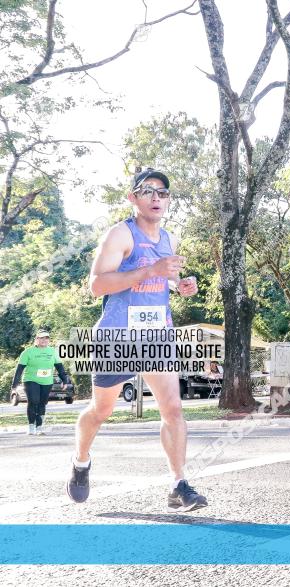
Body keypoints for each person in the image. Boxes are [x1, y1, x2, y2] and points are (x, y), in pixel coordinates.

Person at [66, 167, 208, 513]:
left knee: (172, 409)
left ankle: (178, 484)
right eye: (148, 191)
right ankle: (81, 461)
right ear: (133, 198)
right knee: (102, 411)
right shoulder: (120, 235)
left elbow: (164, 279)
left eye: (163, 192)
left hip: (156, 334)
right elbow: (97, 285)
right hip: (117, 336)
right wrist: (150, 271)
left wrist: (180, 285)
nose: (156, 198)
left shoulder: (169, 239)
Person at [11, 330, 72, 435]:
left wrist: (64, 380)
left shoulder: (52, 352)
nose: (44, 340)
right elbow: (19, 370)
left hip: (46, 381)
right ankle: (31, 426)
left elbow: (60, 368)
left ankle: (38, 428)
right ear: (37, 339)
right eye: (41, 338)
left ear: (49, 340)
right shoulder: (28, 352)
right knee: (34, 401)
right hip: (31, 380)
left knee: (42, 403)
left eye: (46, 338)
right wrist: (14, 384)